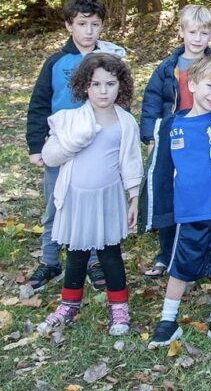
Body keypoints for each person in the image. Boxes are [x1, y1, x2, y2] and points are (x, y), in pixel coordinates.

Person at [141, 56, 211, 348]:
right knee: (180, 266)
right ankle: (168, 320)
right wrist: (153, 210)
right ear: (192, 84)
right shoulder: (172, 126)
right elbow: (159, 172)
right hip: (187, 213)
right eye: (210, 86)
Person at [25, 0, 125, 292]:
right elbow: (39, 103)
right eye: (82, 24)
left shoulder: (109, 61)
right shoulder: (56, 62)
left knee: (93, 205)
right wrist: (35, 146)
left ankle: (94, 261)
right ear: (69, 25)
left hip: (97, 149)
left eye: (95, 24)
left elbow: (123, 101)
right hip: (61, 147)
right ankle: (51, 259)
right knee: (56, 204)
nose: (88, 31)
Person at [35, 54, 142, 336]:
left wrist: (134, 198)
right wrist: (73, 142)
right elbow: (50, 156)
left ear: (121, 86)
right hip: (76, 198)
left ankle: (119, 308)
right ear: (85, 86)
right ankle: (69, 304)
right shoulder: (69, 120)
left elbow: (131, 162)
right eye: (96, 84)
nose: (103, 91)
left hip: (107, 199)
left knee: (110, 254)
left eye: (110, 83)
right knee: (76, 254)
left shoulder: (125, 122)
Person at [140, 4, 211, 280]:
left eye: (204, 33)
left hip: (205, 141)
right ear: (182, 31)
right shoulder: (168, 68)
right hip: (175, 140)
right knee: (171, 197)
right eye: (192, 32)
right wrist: (151, 136)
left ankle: (206, 252)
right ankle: (166, 253)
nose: (197, 39)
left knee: (203, 197)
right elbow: (151, 102)